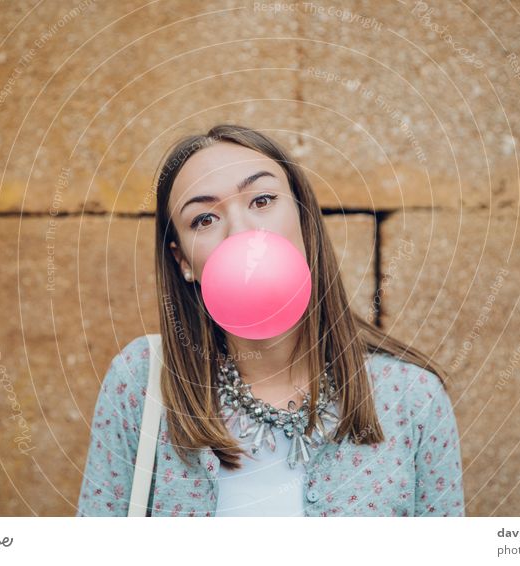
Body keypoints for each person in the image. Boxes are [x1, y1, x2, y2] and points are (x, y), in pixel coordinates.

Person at [76, 124, 464, 517]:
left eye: (262, 200)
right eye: (204, 219)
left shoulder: (413, 398)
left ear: (303, 217)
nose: (241, 231)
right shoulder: (141, 381)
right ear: (183, 262)